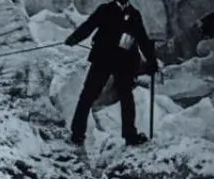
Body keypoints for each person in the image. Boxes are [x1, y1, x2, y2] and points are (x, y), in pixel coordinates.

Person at [64, 0, 157, 148]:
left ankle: (130, 136)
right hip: (103, 59)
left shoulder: (134, 14)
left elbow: (143, 40)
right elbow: (89, 26)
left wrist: (152, 61)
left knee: (126, 97)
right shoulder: (105, 10)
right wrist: (74, 39)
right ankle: (77, 133)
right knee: (88, 94)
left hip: (125, 63)